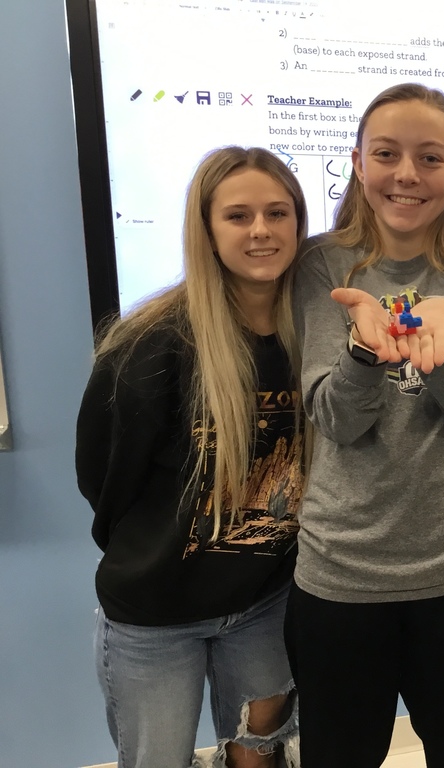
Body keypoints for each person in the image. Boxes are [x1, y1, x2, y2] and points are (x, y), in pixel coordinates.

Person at [284, 83, 444, 768]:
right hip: (343, 576)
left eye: (430, 157)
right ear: (358, 163)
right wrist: (364, 352)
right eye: (386, 154)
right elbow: (336, 420)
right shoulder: (322, 264)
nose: (407, 174)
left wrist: (441, 354)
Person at [76, 146, 308, 768]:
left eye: (277, 213)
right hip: (155, 618)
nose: (261, 230)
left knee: (259, 759)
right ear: (206, 228)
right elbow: (104, 479)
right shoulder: (149, 345)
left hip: (264, 606)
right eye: (238, 215)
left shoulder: (315, 336)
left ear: (298, 222)